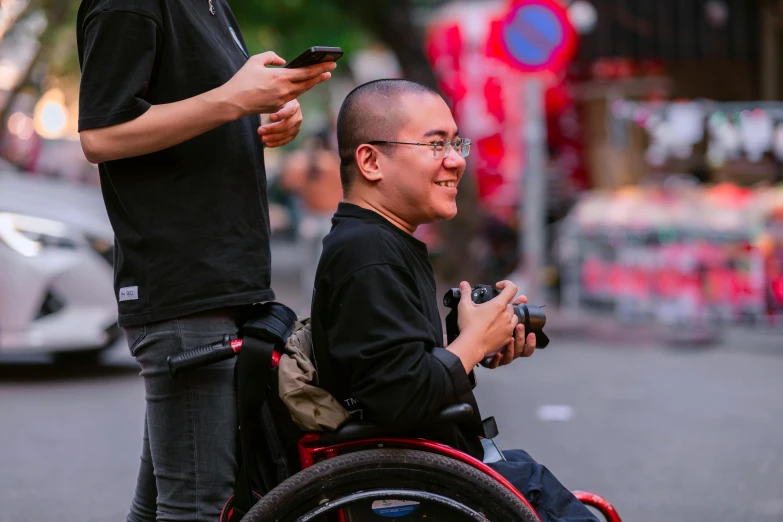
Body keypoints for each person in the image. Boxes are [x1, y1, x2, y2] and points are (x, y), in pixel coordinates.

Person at [75, 1, 335, 520]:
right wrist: (232, 100)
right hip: (185, 292)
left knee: (163, 509)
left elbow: (213, 107)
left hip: (220, 288)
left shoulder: (209, 5)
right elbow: (100, 135)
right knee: (199, 508)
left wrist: (270, 111)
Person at [310, 79, 598, 522]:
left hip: (442, 468)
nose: (457, 159)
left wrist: (470, 342)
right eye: (435, 145)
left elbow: (393, 369)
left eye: (457, 142)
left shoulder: (382, 240)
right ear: (371, 161)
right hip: (420, 487)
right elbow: (400, 399)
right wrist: (474, 343)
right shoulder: (368, 252)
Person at [278, 130, 343, 309]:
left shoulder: (330, 163)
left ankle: (324, 301)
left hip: (329, 217)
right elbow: (288, 185)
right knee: (310, 263)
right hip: (311, 217)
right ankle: (314, 301)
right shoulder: (303, 165)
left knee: (323, 261)